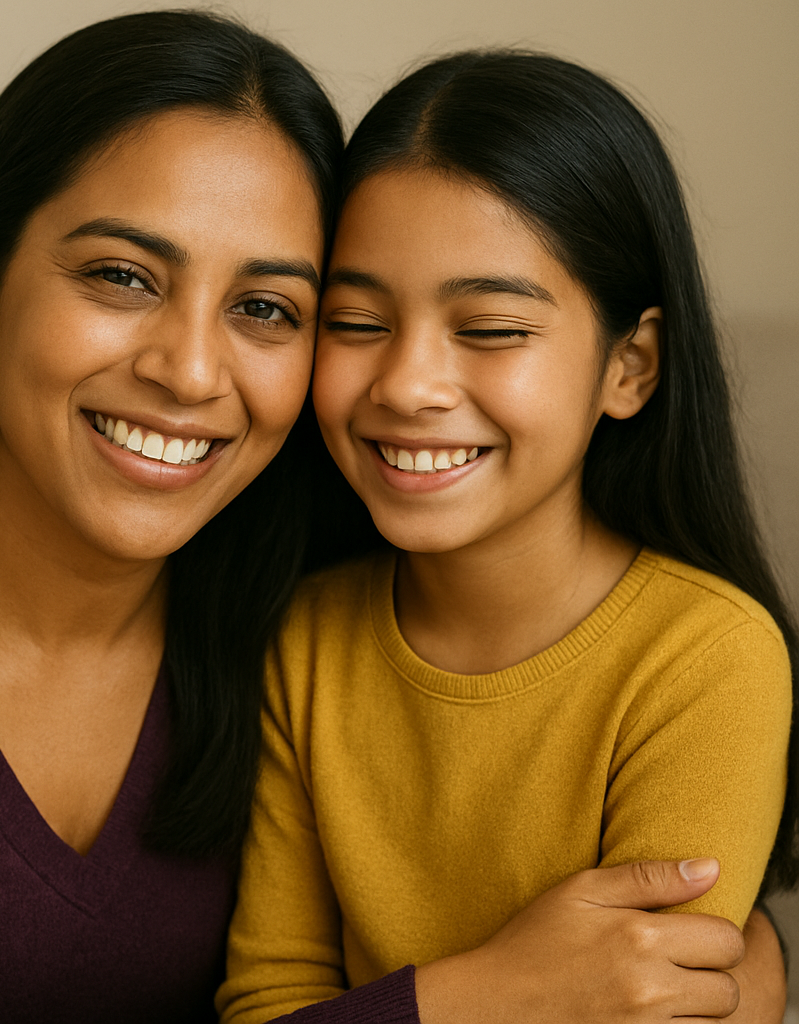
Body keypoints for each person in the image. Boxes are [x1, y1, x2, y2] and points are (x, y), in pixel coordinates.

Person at [0, 11, 342, 1022]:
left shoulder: (315, 641)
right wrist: (462, 1002)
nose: (190, 370)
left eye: (264, 308)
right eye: (122, 277)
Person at [217, 49, 796, 1023]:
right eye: (355, 320)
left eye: (488, 328)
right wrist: (486, 994)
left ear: (630, 367)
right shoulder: (302, 637)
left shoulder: (704, 658)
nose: (406, 385)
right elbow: (266, 1002)